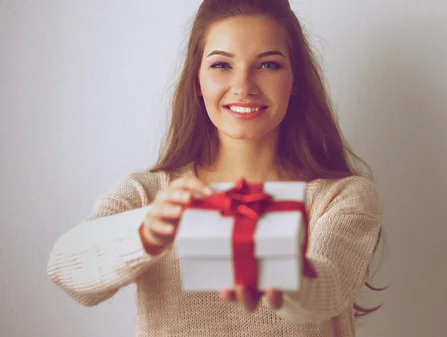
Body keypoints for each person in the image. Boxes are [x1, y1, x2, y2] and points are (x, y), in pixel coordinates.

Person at [47, 0, 384, 336]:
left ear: (295, 81)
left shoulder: (341, 196)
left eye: (268, 65)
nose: (244, 86)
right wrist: (145, 233)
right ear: (197, 81)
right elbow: (66, 270)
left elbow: (330, 286)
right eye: (222, 65)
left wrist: (279, 272)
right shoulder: (147, 195)